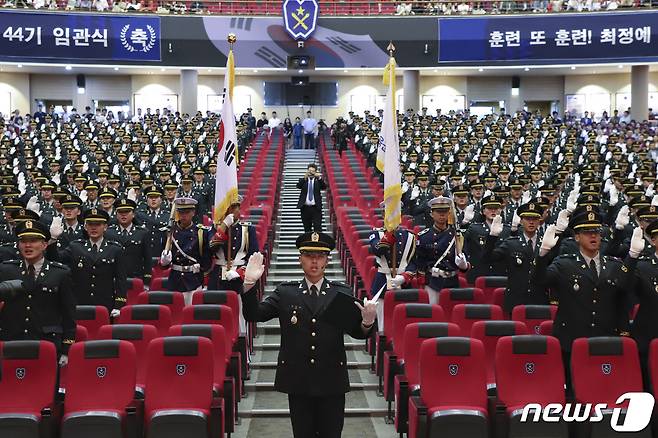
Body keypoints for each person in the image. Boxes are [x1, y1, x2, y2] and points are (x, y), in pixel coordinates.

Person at [239, 232, 377, 438]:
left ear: (327, 261)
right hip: (299, 380)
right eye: (309, 255)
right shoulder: (286, 293)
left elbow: (358, 332)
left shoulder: (340, 293)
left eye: (320, 256)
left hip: (331, 380)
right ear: (300, 259)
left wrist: (367, 322)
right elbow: (254, 314)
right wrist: (249, 285)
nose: (315, 261)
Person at [534, 212, 643, 390]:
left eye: (596, 232)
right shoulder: (564, 264)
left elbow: (625, 288)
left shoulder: (613, 264)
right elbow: (540, 281)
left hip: (605, 339)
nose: (593, 236)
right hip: (572, 341)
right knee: (574, 392)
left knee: (603, 390)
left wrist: (632, 257)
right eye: (587, 232)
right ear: (577, 237)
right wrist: (543, 255)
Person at [0, 219, 76, 365]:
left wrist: (67, 348)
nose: (28, 245)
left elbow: (68, 314)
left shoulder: (60, 273)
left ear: (44, 245)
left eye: (33, 240)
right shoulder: (6, 270)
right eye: (23, 241)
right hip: (11, 341)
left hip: (47, 343)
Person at [52, 208, 127, 317]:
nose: (93, 227)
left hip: (105, 303)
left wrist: (119, 305)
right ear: (85, 227)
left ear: (105, 227)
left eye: (98, 224)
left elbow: (121, 279)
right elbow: (56, 259)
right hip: (79, 301)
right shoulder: (76, 246)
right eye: (90, 224)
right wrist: (53, 240)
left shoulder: (115, 249)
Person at [483, 200, 549, 314]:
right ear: (521, 221)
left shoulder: (546, 243)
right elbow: (487, 258)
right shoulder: (511, 243)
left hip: (539, 298)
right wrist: (492, 237)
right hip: (515, 299)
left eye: (534, 219)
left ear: (540, 221)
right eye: (527, 219)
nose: (531, 222)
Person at [416, 196, 470, 305]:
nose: (442, 215)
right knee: (433, 314)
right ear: (432, 214)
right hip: (433, 281)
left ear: (449, 213)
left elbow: (465, 260)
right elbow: (420, 262)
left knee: (452, 314)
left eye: (445, 211)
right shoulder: (424, 236)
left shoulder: (457, 235)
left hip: (452, 281)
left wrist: (464, 265)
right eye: (438, 211)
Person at [159, 197, 213, 302]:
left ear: (193, 212)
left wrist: (200, 269)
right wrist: (164, 261)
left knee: (193, 315)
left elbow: (207, 260)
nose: (183, 216)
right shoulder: (169, 232)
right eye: (180, 212)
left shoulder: (201, 233)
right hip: (175, 280)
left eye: (187, 212)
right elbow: (163, 266)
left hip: (194, 279)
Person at [630, 219, 658, 390]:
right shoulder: (643, 267)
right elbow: (623, 287)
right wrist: (631, 258)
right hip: (649, 338)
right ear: (653, 240)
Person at [106, 198, 152, 284]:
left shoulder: (143, 233)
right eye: (120, 212)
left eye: (127, 212)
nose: (123, 215)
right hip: (113, 278)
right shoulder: (108, 233)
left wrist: (147, 279)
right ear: (116, 214)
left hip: (136, 277)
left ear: (133, 214)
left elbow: (147, 259)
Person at [296, 163, 326, 233]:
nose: (311, 173)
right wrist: (304, 178)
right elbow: (298, 186)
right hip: (305, 208)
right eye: (309, 171)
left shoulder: (318, 181)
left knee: (317, 227)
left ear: (315, 172)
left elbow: (324, 187)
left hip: (316, 208)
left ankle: (317, 243)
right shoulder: (303, 180)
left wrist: (319, 178)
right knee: (307, 228)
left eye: (312, 171)